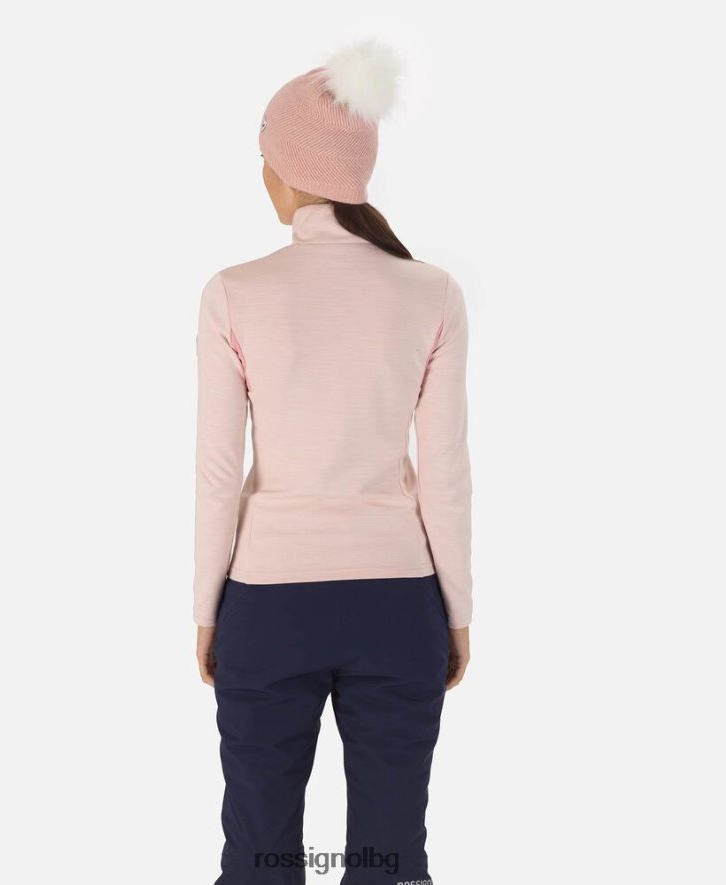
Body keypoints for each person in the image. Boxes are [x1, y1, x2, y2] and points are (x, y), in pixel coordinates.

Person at [194, 40, 473, 885]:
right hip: (399, 603)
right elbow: (446, 472)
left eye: (264, 155)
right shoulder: (430, 292)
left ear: (289, 169)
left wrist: (206, 609)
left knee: (259, 860)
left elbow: (217, 472)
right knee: (390, 863)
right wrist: (456, 611)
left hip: (267, 604)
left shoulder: (234, 293)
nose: (261, 173)